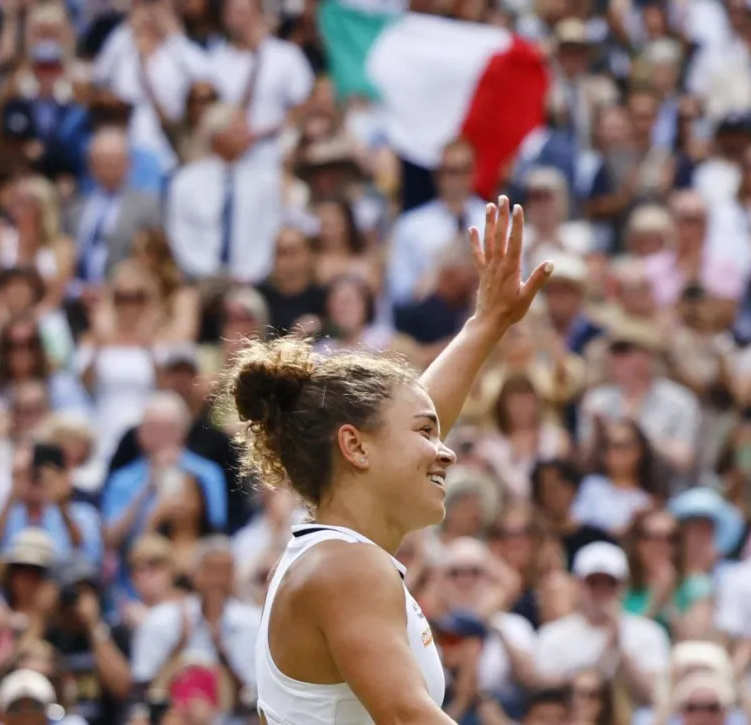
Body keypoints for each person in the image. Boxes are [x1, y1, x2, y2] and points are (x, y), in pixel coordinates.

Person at [222, 197, 552, 724]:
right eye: (427, 433)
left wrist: (486, 324)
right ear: (354, 447)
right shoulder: (348, 567)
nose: (446, 450)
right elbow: (407, 718)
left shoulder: (333, 554)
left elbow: (403, 423)